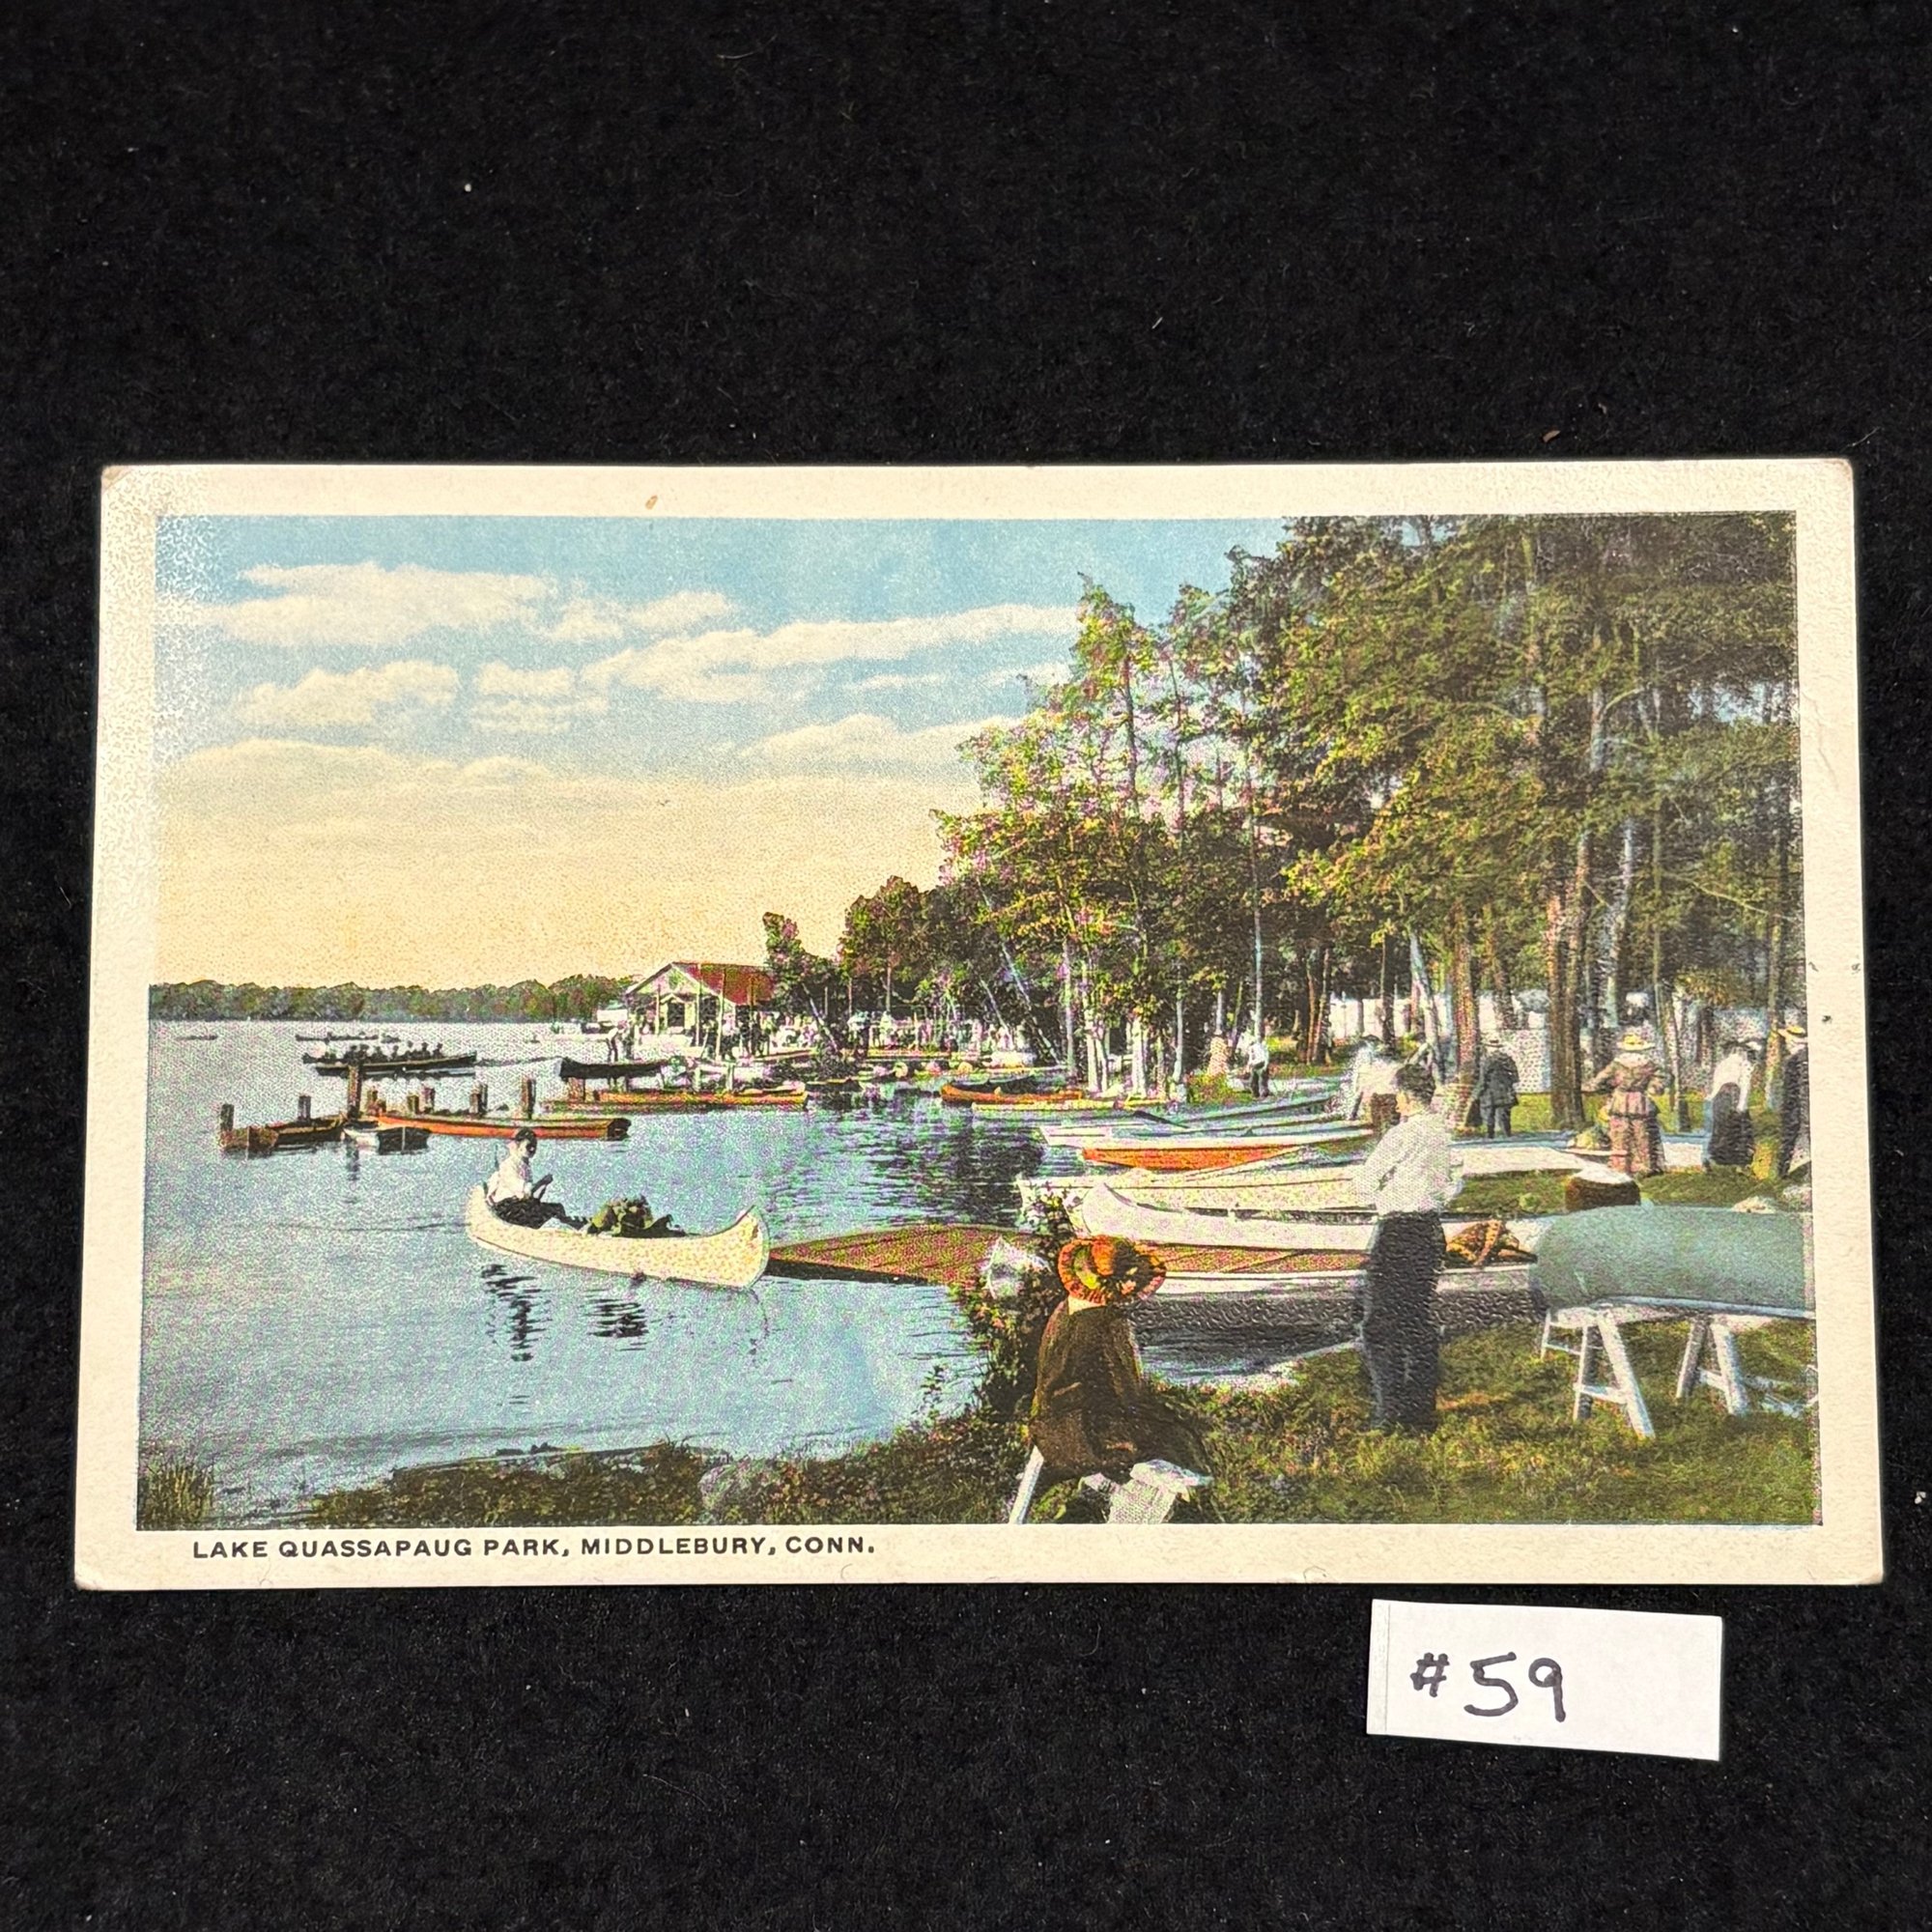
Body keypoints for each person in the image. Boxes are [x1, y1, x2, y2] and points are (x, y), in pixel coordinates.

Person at [1029, 1236, 1212, 1519]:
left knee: (1164, 1428)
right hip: (1091, 1436)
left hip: (1050, 1430)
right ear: (1113, 1283)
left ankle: (1095, 1500)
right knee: (1178, 1436)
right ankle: (1166, 1512)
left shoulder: (1064, 1310)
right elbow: (1129, 1391)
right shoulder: (1111, 1323)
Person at [1356, 1063, 1462, 1433]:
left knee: (1379, 1324)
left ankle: (1388, 1413)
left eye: (1397, 1094)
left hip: (1398, 1229)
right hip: (1430, 1230)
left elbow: (1363, 1184)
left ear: (1405, 1096)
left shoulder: (1400, 1136)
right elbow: (1454, 1184)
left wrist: (1389, 1190)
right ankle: (1420, 1412)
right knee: (1417, 1320)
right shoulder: (1442, 1134)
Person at [1583, 1029, 1666, 1179]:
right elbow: (1661, 1078)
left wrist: (1592, 1086)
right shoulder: (1647, 1064)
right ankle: (1643, 1165)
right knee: (1640, 1134)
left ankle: (1624, 1165)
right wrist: (1654, 1087)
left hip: (1623, 1100)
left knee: (1623, 1134)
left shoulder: (1619, 1064)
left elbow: (1601, 1078)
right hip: (1638, 1101)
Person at [483, 1128, 577, 1228]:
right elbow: (522, 1189)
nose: (532, 1149)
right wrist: (541, 1183)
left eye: (534, 1146)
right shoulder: (508, 1165)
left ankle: (570, 1227)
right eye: (529, 1146)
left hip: (519, 1205)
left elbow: (532, 1196)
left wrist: (543, 1185)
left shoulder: (525, 1166)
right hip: (506, 1207)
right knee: (544, 1211)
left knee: (556, 1208)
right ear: (518, 1146)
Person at [1704, 1038, 1759, 1169]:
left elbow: (1716, 1085)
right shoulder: (1744, 1065)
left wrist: (1711, 1098)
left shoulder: (1722, 1064)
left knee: (1720, 1127)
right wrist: (1741, 1106)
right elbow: (1745, 1086)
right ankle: (1737, 1160)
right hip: (1734, 1098)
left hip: (1720, 1099)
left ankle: (1718, 1158)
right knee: (1738, 1128)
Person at [1776, 1022, 1810, 1178]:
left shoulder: (1794, 1060)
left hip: (1795, 1105)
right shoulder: (1805, 1057)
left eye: (1787, 1040)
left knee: (1790, 1135)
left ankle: (1784, 1171)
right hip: (1799, 1104)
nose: (1786, 1043)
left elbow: (1793, 1089)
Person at [1474, 1037, 1520, 1138]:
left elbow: (1483, 1079)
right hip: (1505, 1091)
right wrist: (1507, 1083)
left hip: (1490, 1092)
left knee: (1489, 1114)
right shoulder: (1507, 1059)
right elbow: (1515, 1077)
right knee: (1505, 1115)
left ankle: (1490, 1135)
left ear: (1489, 1048)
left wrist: (1477, 1094)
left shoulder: (1487, 1060)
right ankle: (1507, 1134)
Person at [1357, 1043, 1402, 1135]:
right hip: (1391, 1097)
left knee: (1378, 1125)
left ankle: (1381, 1140)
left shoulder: (1369, 1067)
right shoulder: (1397, 1066)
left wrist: (1363, 1103)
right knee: (1391, 1124)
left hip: (1377, 1097)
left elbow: (1363, 1086)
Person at [1245, 1031, 1272, 1099]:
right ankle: (1255, 1095)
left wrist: (1265, 1066)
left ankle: (1263, 1095)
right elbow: (1251, 1057)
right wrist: (1248, 1065)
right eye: (1257, 1036)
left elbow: (1267, 1057)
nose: (1258, 1038)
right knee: (1253, 1082)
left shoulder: (1264, 1046)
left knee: (1262, 1082)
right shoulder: (1252, 1047)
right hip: (1254, 1066)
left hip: (1262, 1065)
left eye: (1260, 1036)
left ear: (1262, 1038)